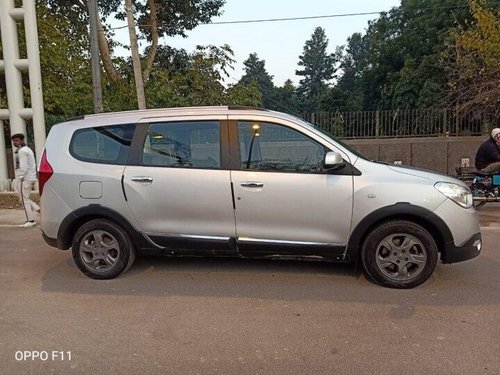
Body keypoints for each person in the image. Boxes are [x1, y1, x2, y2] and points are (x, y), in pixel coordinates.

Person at [11, 133, 40, 228]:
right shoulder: (27, 149)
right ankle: (36, 207)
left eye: (17, 140)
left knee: (24, 200)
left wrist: (21, 176)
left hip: (25, 178)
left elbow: (24, 166)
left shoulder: (22, 151)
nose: (15, 142)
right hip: (30, 177)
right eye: (14, 141)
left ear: (22, 141)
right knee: (23, 198)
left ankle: (30, 220)